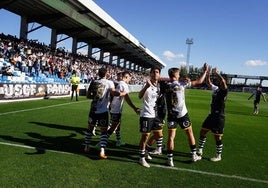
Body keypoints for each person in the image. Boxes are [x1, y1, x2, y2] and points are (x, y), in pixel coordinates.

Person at [164, 63, 208, 167]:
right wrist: (205, 72)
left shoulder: (165, 85)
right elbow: (199, 81)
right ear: (174, 74)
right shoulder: (181, 84)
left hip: (171, 115)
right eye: (178, 73)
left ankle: (170, 160)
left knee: (171, 137)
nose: (180, 75)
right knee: (190, 134)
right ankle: (193, 155)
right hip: (182, 114)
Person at [84, 67, 126, 159]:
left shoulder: (93, 82)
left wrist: (96, 98)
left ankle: (86, 147)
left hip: (93, 109)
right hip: (103, 111)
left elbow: (88, 96)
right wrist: (123, 94)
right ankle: (102, 151)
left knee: (90, 129)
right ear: (106, 74)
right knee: (103, 131)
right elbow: (114, 93)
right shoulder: (109, 82)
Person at [197, 67, 228, 162]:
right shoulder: (216, 89)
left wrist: (216, 73)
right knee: (202, 131)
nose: (219, 81)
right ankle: (200, 151)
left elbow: (222, 81)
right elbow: (208, 82)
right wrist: (208, 73)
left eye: (219, 80)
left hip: (219, 117)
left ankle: (218, 156)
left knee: (217, 137)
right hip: (211, 115)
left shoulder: (224, 91)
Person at [138, 67, 164, 168]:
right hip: (146, 115)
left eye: (157, 72)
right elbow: (140, 96)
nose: (155, 74)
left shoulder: (159, 86)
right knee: (145, 137)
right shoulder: (146, 84)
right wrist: (146, 87)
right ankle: (141, 158)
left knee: (159, 134)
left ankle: (146, 151)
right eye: (153, 72)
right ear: (150, 74)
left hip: (155, 115)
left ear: (159, 75)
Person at [107, 71, 140, 146]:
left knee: (117, 125)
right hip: (116, 108)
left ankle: (118, 140)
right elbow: (127, 98)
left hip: (114, 107)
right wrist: (134, 108)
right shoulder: (123, 85)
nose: (130, 79)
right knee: (113, 127)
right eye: (129, 77)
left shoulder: (119, 83)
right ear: (126, 77)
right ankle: (102, 142)